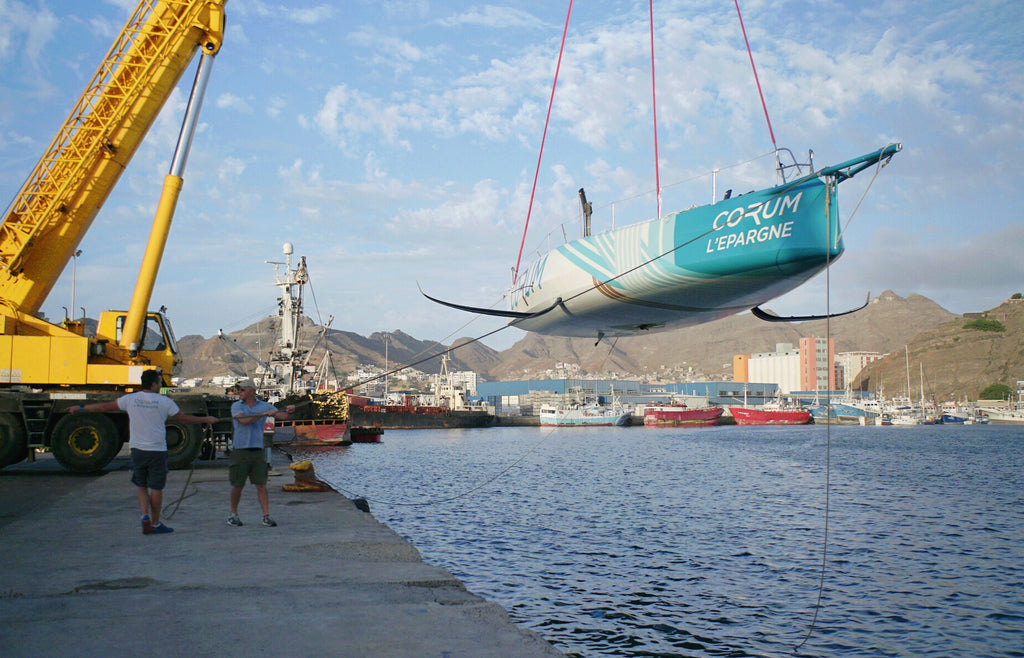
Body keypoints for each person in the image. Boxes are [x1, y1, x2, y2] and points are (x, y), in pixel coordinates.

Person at [70, 369, 217, 535]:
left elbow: (104, 406)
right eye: (160, 383)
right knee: (156, 488)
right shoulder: (164, 402)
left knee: (141, 485)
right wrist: (206, 419)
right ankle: (155, 523)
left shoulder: (130, 399)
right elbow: (183, 419)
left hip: (138, 450)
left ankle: (144, 516)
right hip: (157, 451)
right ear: (154, 384)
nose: (161, 385)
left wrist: (81, 408)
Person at [228, 379, 294, 527]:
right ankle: (233, 514)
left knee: (261, 485)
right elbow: (244, 421)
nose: (239, 392)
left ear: (251, 391)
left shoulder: (264, 405)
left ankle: (266, 516)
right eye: (239, 390)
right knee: (237, 485)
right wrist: (264, 413)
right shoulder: (236, 406)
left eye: (242, 390)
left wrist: (290, 411)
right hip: (240, 451)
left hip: (258, 450)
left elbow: (282, 416)